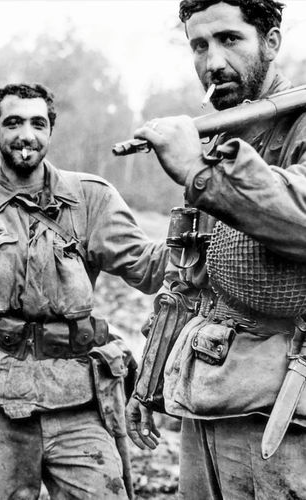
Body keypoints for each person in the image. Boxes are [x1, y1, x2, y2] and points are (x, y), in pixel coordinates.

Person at [0, 82, 170, 500]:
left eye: (37, 123)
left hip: (77, 402)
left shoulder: (91, 199)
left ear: (50, 131)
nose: (26, 134)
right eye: (13, 123)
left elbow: (148, 268)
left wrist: (210, 212)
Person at [126, 1, 306, 499]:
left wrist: (196, 174)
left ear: (270, 42)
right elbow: (188, 281)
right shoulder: (218, 135)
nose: (213, 62)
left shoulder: (301, 127)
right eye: (199, 46)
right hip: (208, 394)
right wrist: (152, 379)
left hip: (285, 412)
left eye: (230, 39)